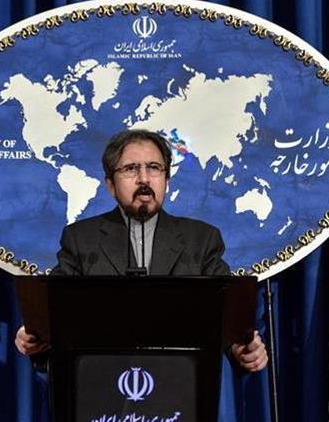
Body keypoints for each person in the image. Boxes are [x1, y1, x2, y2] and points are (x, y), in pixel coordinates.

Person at [15, 129, 268, 372]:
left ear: (167, 181)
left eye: (154, 168)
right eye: (130, 169)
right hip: (100, 380)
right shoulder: (81, 239)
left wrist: (240, 349)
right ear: (110, 184)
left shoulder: (201, 240)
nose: (144, 179)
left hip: (180, 382)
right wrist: (35, 336)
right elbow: (55, 311)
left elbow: (226, 315)